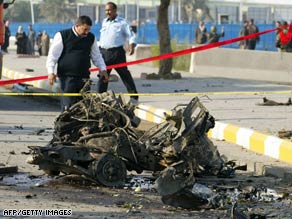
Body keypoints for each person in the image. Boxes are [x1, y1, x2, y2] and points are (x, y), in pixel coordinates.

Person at [46, 15, 108, 112]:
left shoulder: (91, 38)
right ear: (77, 26)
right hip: (67, 78)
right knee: (68, 107)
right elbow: (53, 56)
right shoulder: (63, 35)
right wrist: (51, 72)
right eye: (84, 29)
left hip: (84, 77)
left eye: (88, 30)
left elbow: (97, 56)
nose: (86, 33)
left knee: (83, 108)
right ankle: (65, 126)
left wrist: (103, 69)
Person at [98, 1, 138, 103]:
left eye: (109, 10)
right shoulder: (104, 22)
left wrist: (132, 46)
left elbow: (132, 35)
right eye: (106, 10)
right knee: (103, 76)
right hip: (104, 53)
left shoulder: (122, 23)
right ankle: (100, 98)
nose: (107, 12)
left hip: (117, 53)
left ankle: (134, 97)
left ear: (115, 10)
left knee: (125, 75)